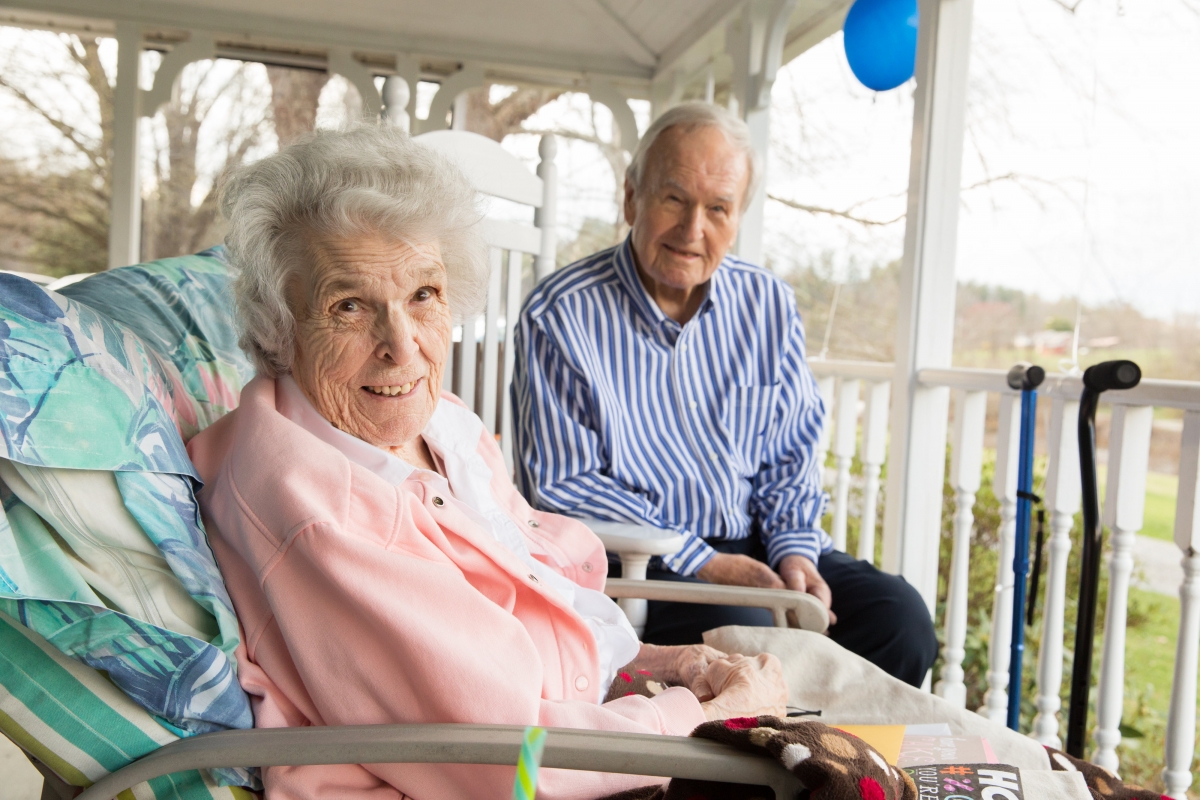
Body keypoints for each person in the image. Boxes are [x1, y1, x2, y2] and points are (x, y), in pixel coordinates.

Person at [188, 125, 788, 800]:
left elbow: (542, 613)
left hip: (589, 738)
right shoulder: (320, 512)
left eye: (424, 295)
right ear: (279, 324)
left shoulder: (441, 424)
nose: (402, 346)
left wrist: (667, 663)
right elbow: (510, 764)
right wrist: (708, 718)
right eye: (349, 306)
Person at [511, 102, 938, 687]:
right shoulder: (560, 313)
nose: (694, 230)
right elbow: (563, 482)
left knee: (900, 620)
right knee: (749, 631)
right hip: (640, 559)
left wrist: (793, 555)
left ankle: (830, 766)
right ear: (631, 196)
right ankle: (757, 765)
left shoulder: (767, 306)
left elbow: (791, 454)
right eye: (673, 199)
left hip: (757, 546)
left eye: (718, 209)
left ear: (737, 218)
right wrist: (706, 562)